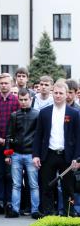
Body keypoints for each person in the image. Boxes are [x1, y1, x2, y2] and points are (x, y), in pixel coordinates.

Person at [32, 82, 80, 216]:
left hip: (67, 156)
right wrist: (35, 155)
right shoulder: (44, 113)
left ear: (66, 95)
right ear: (52, 93)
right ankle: (48, 214)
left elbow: (78, 138)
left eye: (61, 93)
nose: (58, 96)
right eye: (56, 93)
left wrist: (77, 158)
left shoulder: (74, 113)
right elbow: (38, 135)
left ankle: (68, 214)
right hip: (49, 154)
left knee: (68, 188)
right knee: (47, 186)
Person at [5, 88, 40, 218]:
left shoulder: (37, 115)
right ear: (18, 100)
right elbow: (9, 135)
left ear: (31, 99)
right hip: (17, 154)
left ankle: (35, 210)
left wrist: (37, 154)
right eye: (21, 100)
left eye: (26, 99)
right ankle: (15, 209)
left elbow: (39, 136)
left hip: (31, 154)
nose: (24, 102)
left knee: (33, 184)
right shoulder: (14, 115)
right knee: (16, 184)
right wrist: (8, 154)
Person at [0, 73, 20, 214]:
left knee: (9, 174)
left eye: (6, 83)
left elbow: (18, 123)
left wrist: (8, 140)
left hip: (10, 144)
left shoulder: (16, 101)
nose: (3, 85)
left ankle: (9, 201)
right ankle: (0, 201)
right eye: (1, 83)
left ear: (11, 84)